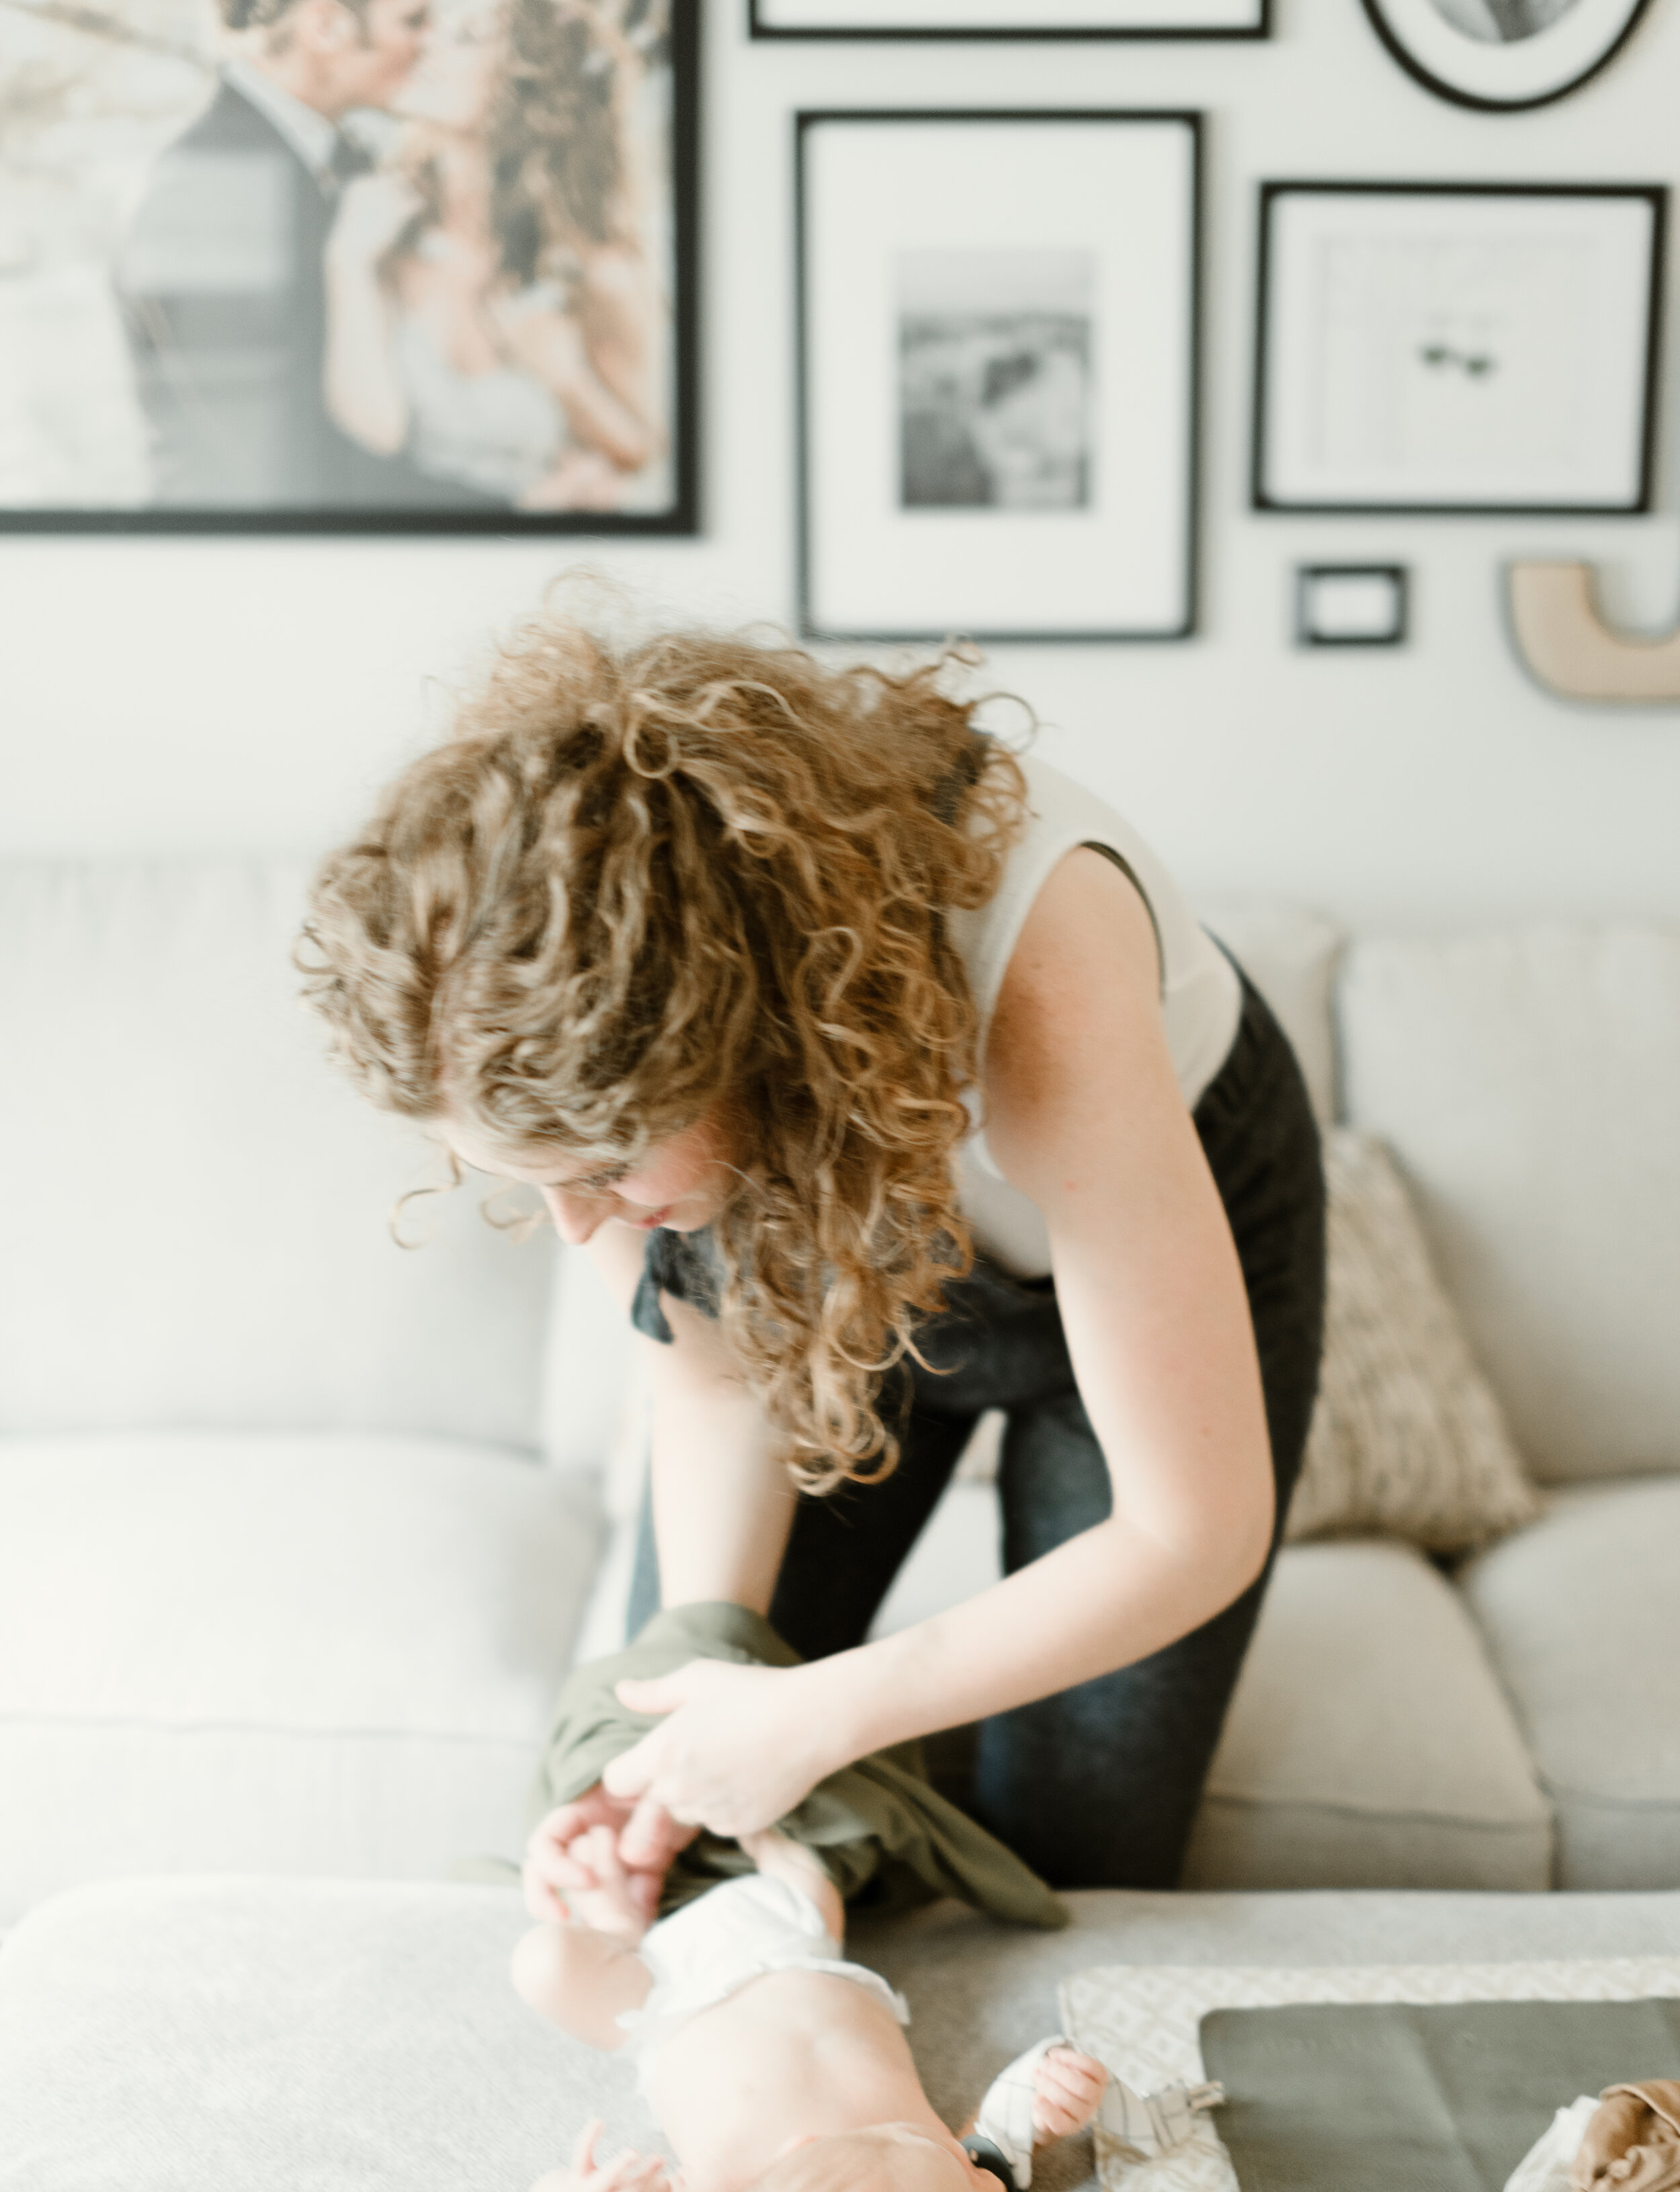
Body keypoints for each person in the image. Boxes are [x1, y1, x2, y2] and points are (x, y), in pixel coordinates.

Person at [300, 617, 1325, 1901]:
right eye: (526, 1180)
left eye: (605, 1174)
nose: (580, 1229)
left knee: (1079, 1849)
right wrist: (708, 1687)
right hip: (846, 1225)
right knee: (676, 1793)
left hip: (1163, 1201)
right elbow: (718, 1376)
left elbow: (1192, 1532)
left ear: (734, 1042)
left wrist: (823, 1716)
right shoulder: (591, 1044)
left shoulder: (1045, 978)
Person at [511, 1818, 1108, 2192]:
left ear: (805, 2148)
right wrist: (1050, 2100)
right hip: (798, 1946)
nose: (980, 2179)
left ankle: (617, 1927)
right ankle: (762, 1830)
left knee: (545, 1964)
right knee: (806, 1873)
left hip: (664, 1999)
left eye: (963, 2173)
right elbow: (1000, 2127)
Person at [118, 0, 500, 508]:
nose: (431, 39)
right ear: (326, 26)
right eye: (412, 20)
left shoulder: (350, 163)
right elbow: (270, 458)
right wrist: (504, 515)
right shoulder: (207, 184)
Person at [321, 0, 663, 509]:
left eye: (463, 37)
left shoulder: (593, 271)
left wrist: (567, 382)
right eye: (431, 26)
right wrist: (346, 265)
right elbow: (377, 430)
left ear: (525, 82)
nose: (425, 44)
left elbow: (647, 454)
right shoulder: (381, 228)